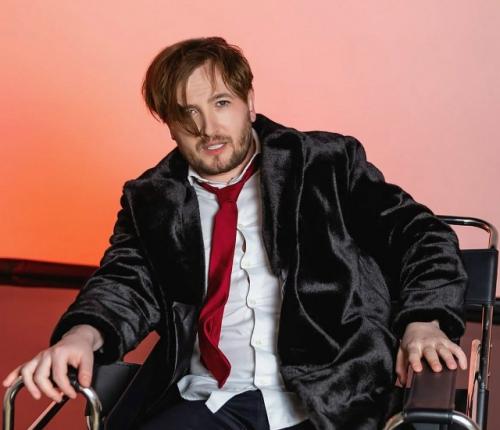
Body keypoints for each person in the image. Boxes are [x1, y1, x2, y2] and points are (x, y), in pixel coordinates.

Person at [3, 37, 468, 430]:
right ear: (168, 125)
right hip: (208, 398)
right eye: (187, 113)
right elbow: (124, 283)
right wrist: (80, 336)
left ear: (249, 102)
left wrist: (424, 321)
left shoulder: (324, 164)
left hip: (330, 397)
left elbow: (422, 236)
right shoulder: (152, 199)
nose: (209, 129)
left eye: (221, 103)